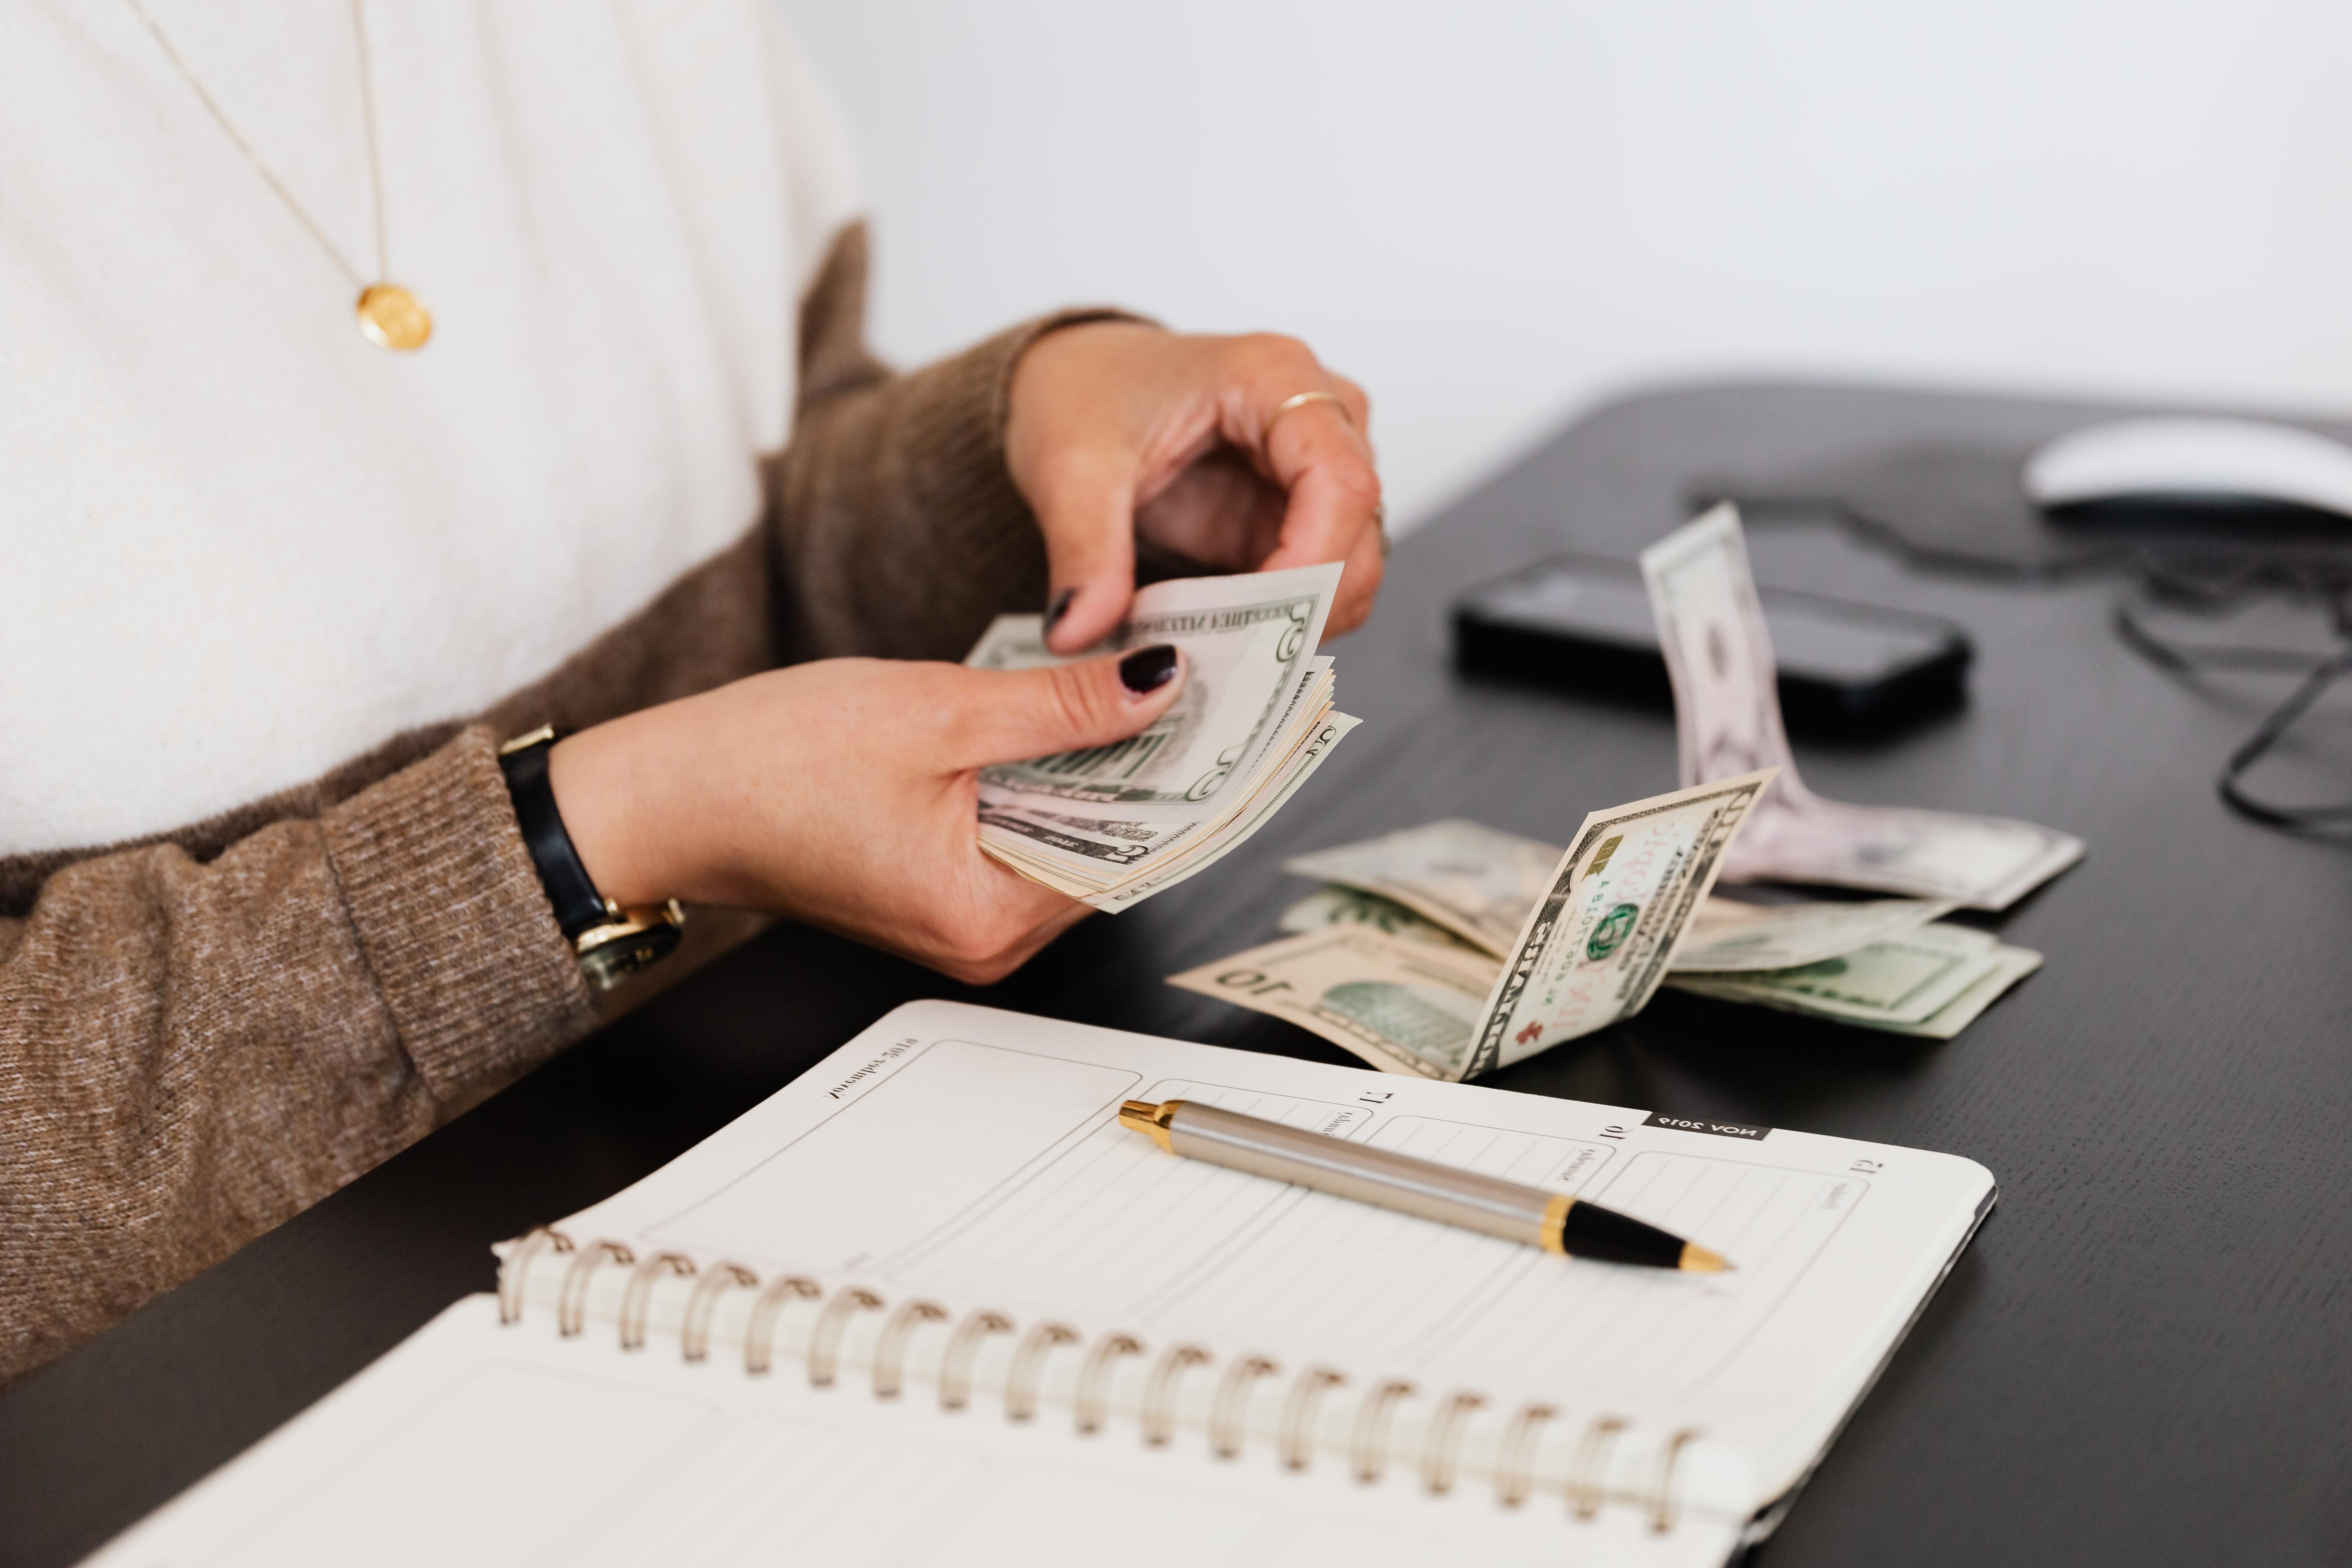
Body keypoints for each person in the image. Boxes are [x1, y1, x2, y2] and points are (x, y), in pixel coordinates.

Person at [0, 3, 1384, 1384]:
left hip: (787, 1206)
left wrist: (1017, 436)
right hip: (233, 1407)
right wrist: (585, 842)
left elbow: (751, 497)